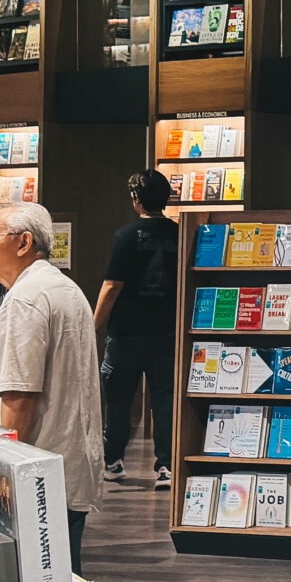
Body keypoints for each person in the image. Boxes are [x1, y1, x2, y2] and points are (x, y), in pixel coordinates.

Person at [0, 200, 102, 572]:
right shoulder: (65, 288)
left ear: (23, 242)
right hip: (67, 472)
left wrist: (0, 477)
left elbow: (19, 398)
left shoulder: (26, 300)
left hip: (35, 479)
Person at [94, 171, 180, 489]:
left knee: (118, 397)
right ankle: (167, 466)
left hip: (126, 333)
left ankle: (114, 461)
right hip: (168, 332)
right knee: (165, 399)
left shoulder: (126, 236)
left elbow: (113, 285)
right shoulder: (179, 233)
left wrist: (94, 325)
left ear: (136, 200)